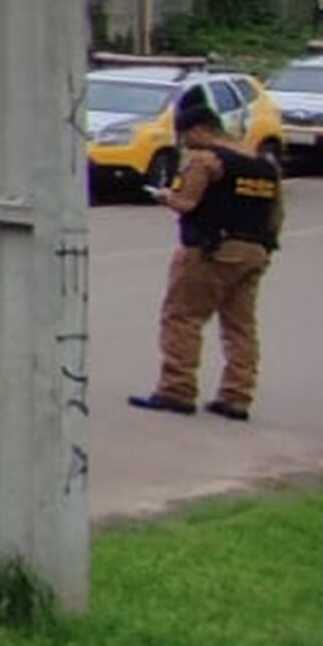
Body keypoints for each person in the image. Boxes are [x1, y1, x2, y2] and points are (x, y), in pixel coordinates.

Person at [128, 86, 282, 422]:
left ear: (198, 130)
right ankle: (237, 397)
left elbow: (187, 203)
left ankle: (176, 390)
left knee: (182, 317)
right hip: (255, 251)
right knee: (240, 326)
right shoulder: (263, 164)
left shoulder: (205, 160)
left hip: (211, 249)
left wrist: (164, 197)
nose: (185, 144)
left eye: (185, 137)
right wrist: (267, 246)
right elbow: (276, 214)